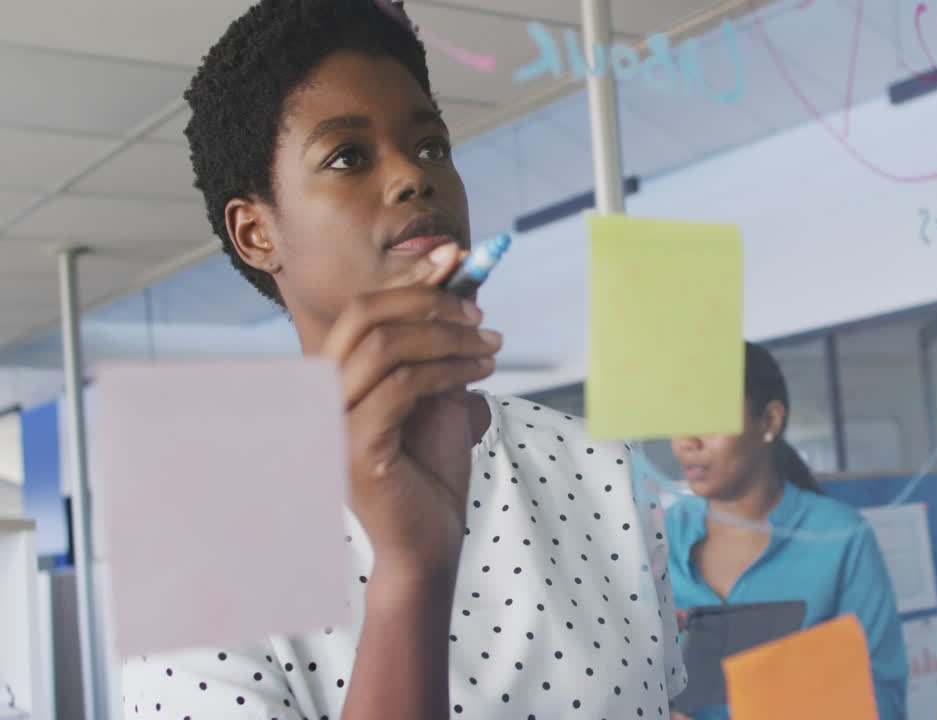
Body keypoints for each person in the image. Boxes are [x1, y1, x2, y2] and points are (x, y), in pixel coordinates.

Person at [119, 1, 685, 718]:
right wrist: (411, 573)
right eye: (348, 156)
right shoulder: (198, 536)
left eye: (430, 147)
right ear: (257, 233)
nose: (414, 178)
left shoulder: (600, 465)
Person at [665, 342, 907, 720]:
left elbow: (884, 702)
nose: (685, 442)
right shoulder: (655, 539)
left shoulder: (839, 536)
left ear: (769, 421)